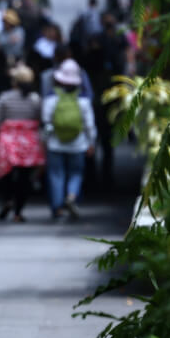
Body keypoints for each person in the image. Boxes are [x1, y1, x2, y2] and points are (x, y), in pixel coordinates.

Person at [0, 64, 45, 222]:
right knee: (25, 178)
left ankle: (7, 199)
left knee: (5, 174)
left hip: (8, 141)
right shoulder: (35, 99)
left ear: (14, 81)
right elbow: (41, 120)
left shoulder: (4, 98)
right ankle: (18, 212)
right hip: (29, 142)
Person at [41, 59, 96, 220]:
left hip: (55, 143)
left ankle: (57, 208)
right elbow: (89, 125)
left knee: (56, 174)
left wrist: (44, 141)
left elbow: (46, 122)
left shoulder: (51, 99)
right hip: (78, 144)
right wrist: (91, 142)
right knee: (76, 173)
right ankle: (71, 196)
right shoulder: (83, 100)